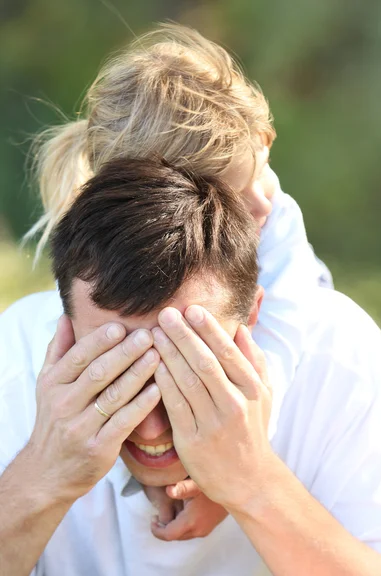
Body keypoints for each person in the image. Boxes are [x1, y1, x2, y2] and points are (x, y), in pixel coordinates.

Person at [1, 159, 381, 576]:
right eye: (118, 370)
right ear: (66, 327)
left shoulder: (342, 362)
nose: (150, 426)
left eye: (186, 369)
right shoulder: (16, 356)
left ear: (252, 318)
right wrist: (42, 473)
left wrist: (254, 482)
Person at [25, 23, 333, 538]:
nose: (265, 204)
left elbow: (276, 349)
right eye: (238, 194)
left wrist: (223, 477)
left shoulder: (274, 224)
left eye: (264, 170)